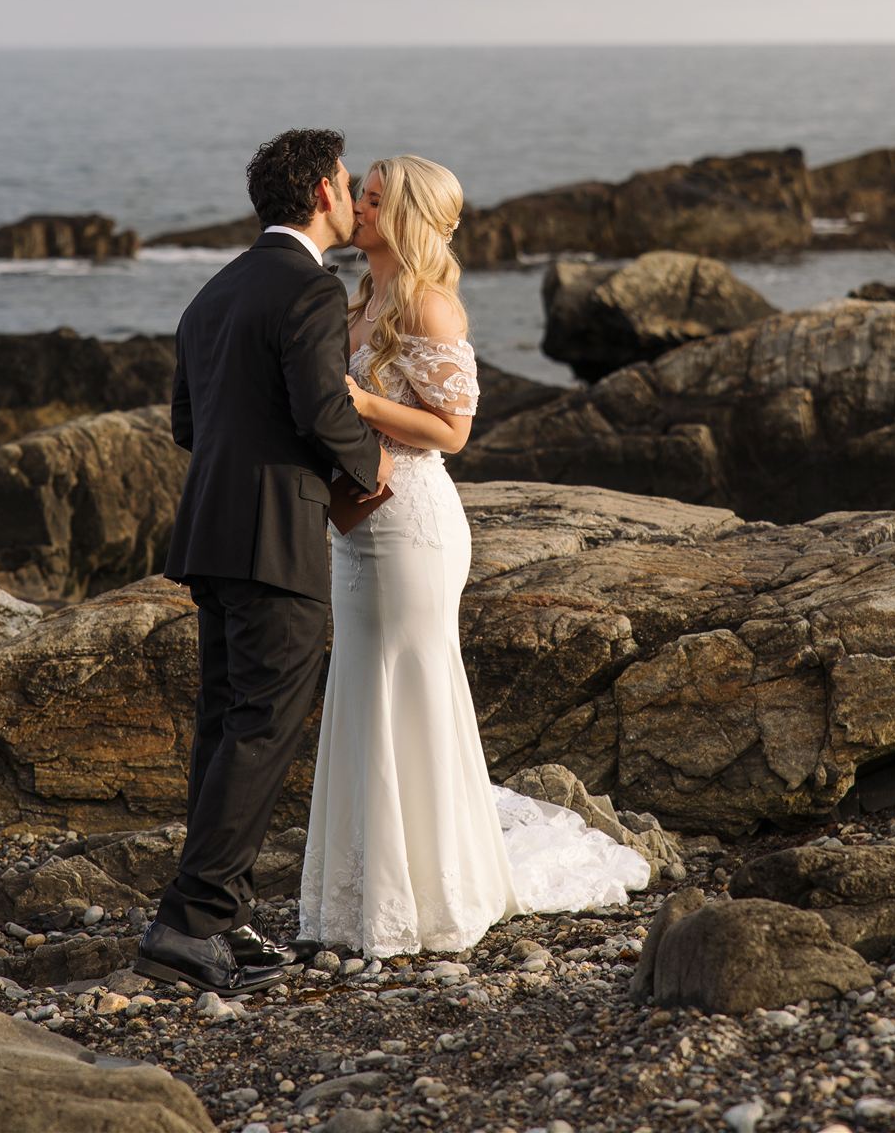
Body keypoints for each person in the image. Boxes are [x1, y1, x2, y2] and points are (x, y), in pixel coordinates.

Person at [299, 153, 650, 957]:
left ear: (407, 217)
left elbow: (453, 432)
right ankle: (363, 893)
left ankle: (430, 895)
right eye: (360, 194)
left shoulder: (428, 308)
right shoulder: (361, 297)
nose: (356, 207)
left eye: (374, 199)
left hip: (413, 525)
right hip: (357, 526)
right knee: (360, 688)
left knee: (409, 690)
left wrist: (354, 399)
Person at [138, 128, 392, 994]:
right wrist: (371, 466)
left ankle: (225, 914)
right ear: (323, 190)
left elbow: (186, 425)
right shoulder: (309, 289)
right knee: (262, 724)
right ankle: (190, 921)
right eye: (347, 183)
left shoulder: (211, 294)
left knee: (226, 723)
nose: (352, 195)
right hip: (274, 536)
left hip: (208, 533)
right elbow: (322, 410)